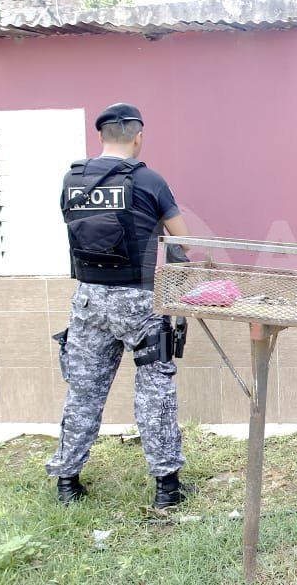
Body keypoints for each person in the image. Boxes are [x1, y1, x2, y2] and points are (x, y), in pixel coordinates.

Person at [46, 103, 194, 507]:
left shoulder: (72, 179)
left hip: (89, 300)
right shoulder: (149, 180)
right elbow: (181, 243)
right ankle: (167, 488)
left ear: (101, 137)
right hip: (138, 300)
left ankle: (67, 482)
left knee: (83, 391)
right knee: (154, 390)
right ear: (138, 136)